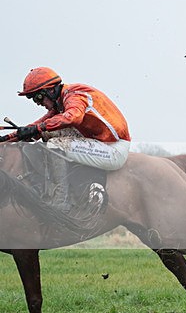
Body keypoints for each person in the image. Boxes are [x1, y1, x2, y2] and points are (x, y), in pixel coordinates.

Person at [14, 67, 131, 209]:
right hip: (99, 141)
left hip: (114, 148)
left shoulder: (75, 96)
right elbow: (38, 125)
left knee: (55, 143)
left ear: (50, 90)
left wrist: (37, 129)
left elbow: (72, 118)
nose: (38, 103)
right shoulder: (62, 101)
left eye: (38, 97)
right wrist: (11, 137)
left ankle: (60, 201)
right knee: (46, 133)